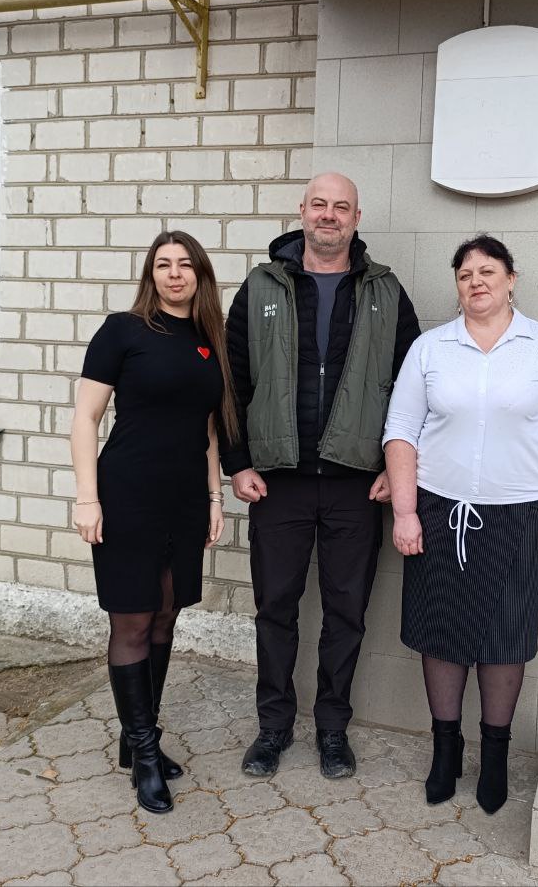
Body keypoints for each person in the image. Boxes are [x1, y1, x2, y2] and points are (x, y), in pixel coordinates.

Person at [223, 172, 421, 779]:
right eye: (319, 205)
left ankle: (333, 729)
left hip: (355, 482)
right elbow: (231, 383)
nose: (328, 215)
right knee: (275, 610)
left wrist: (394, 470)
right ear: (302, 211)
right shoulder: (261, 285)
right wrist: (237, 462)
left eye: (341, 207)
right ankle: (273, 727)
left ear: (357, 218)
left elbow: (414, 390)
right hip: (277, 480)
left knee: (346, 613)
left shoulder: (386, 291)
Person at [383, 235, 538, 814]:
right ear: (457, 285)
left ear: (510, 279)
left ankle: (495, 757)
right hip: (439, 512)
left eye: (488, 271)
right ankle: (445, 750)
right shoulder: (431, 348)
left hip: (520, 515)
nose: (476, 281)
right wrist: (404, 511)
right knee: (441, 633)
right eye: (465, 274)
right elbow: (401, 430)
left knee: (505, 638)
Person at [70, 230, 235, 814]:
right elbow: (86, 418)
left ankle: (136, 737)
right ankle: (144, 752)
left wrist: (214, 498)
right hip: (128, 494)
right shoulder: (123, 331)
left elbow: (209, 430)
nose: (174, 274)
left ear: (200, 274)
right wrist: (87, 499)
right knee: (134, 618)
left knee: (166, 613)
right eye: (163, 264)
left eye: (185, 264)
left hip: (185, 499)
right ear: (151, 274)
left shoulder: (210, 340)